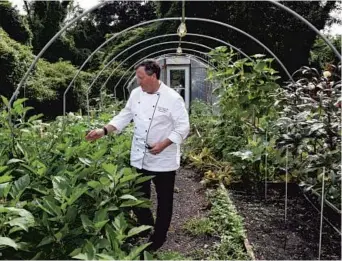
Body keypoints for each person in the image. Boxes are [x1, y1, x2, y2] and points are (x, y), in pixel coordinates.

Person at [85, 59, 190, 251]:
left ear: (153, 76)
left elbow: (184, 127)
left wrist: (164, 144)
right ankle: (146, 226)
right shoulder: (136, 94)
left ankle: (158, 238)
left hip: (163, 159)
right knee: (138, 197)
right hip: (140, 155)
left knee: (164, 201)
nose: (138, 81)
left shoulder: (172, 98)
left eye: (141, 77)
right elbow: (125, 115)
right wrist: (103, 130)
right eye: (137, 77)